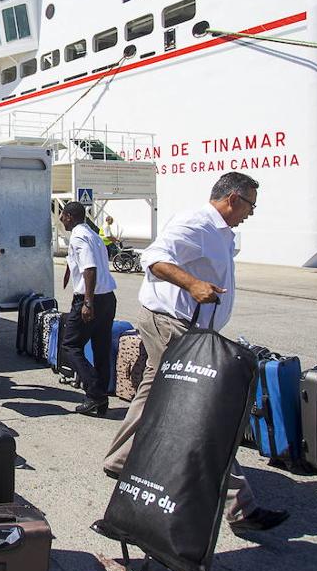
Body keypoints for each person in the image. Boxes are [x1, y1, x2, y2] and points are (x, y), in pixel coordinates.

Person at [95, 171, 289, 536]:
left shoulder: (220, 231)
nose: (251, 212)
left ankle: (120, 459)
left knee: (153, 394)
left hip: (182, 325)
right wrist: (193, 284)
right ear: (233, 199)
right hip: (172, 325)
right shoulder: (196, 223)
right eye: (250, 205)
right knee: (199, 410)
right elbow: (154, 258)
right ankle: (239, 505)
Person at [59, 201, 117, 416]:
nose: (61, 220)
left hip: (90, 299)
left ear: (69, 216)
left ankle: (95, 392)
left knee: (70, 346)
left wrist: (87, 303)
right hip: (108, 298)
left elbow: (89, 268)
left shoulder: (78, 236)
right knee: (101, 348)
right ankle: (100, 401)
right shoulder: (93, 234)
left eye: (62, 216)